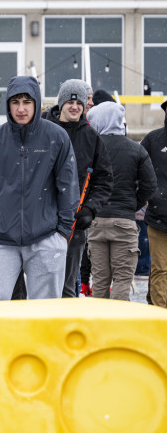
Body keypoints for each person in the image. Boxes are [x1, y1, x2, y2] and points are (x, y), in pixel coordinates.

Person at [0, 76, 78, 301]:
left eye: (27, 102)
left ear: (36, 103)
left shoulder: (56, 137)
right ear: (8, 104)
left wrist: (62, 231)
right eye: (15, 102)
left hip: (46, 237)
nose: (21, 108)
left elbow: (67, 186)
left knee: (45, 314)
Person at [40, 79, 114, 298]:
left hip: (74, 223)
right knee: (42, 283)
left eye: (79, 103)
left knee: (67, 285)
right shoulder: (43, 131)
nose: (75, 106)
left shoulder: (91, 137)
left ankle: (65, 330)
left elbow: (104, 179)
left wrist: (90, 209)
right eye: (70, 102)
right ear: (61, 103)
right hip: (41, 220)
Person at [86, 102, 156, 301]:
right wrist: (132, 205)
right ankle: (117, 328)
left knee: (99, 280)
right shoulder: (136, 149)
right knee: (122, 280)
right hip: (124, 223)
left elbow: (82, 182)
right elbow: (150, 184)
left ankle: (98, 326)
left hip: (96, 222)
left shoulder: (92, 148)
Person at [140, 99, 167, 308]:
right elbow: (138, 172)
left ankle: (153, 303)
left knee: (160, 269)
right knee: (160, 268)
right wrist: (148, 198)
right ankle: (161, 316)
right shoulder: (153, 139)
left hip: (157, 211)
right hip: (158, 217)